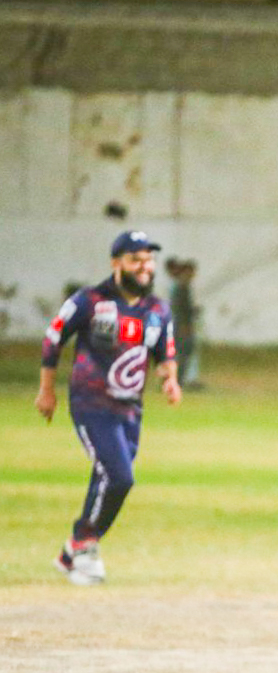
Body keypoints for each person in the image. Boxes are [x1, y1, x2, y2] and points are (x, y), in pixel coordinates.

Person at [35, 230, 182, 585]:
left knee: (108, 479)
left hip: (130, 410)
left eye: (149, 260)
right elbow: (53, 339)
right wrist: (46, 390)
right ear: (116, 263)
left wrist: (170, 379)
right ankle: (85, 546)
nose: (145, 267)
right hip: (91, 404)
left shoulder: (157, 310)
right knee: (119, 477)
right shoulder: (90, 301)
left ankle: (70, 553)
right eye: (136, 260)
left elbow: (165, 353)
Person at [165, 257, 203, 388]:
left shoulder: (182, 286)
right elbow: (181, 309)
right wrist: (185, 325)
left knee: (181, 352)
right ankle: (177, 379)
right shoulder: (181, 287)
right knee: (183, 352)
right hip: (182, 325)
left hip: (179, 324)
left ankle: (175, 379)